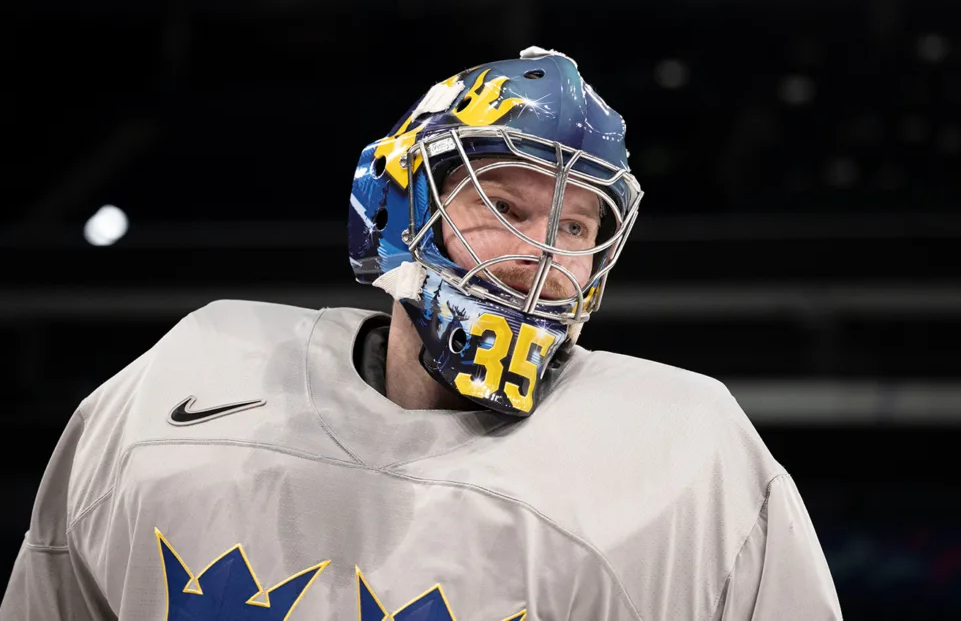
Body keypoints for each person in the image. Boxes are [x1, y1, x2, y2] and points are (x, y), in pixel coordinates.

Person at [1, 47, 842, 620]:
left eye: (576, 228)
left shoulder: (691, 454)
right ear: (399, 208)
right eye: (502, 206)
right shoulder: (188, 380)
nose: (541, 256)